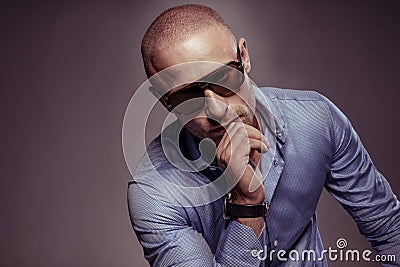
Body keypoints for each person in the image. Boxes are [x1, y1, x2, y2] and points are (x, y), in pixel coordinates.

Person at [127, 4, 400, 266]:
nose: (216, 109)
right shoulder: (154, 193)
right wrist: (246, 206)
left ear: (243, 57)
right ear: (164, 100)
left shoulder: (315, 119)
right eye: (188, 95)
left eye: (223, 78)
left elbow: (390, 229)